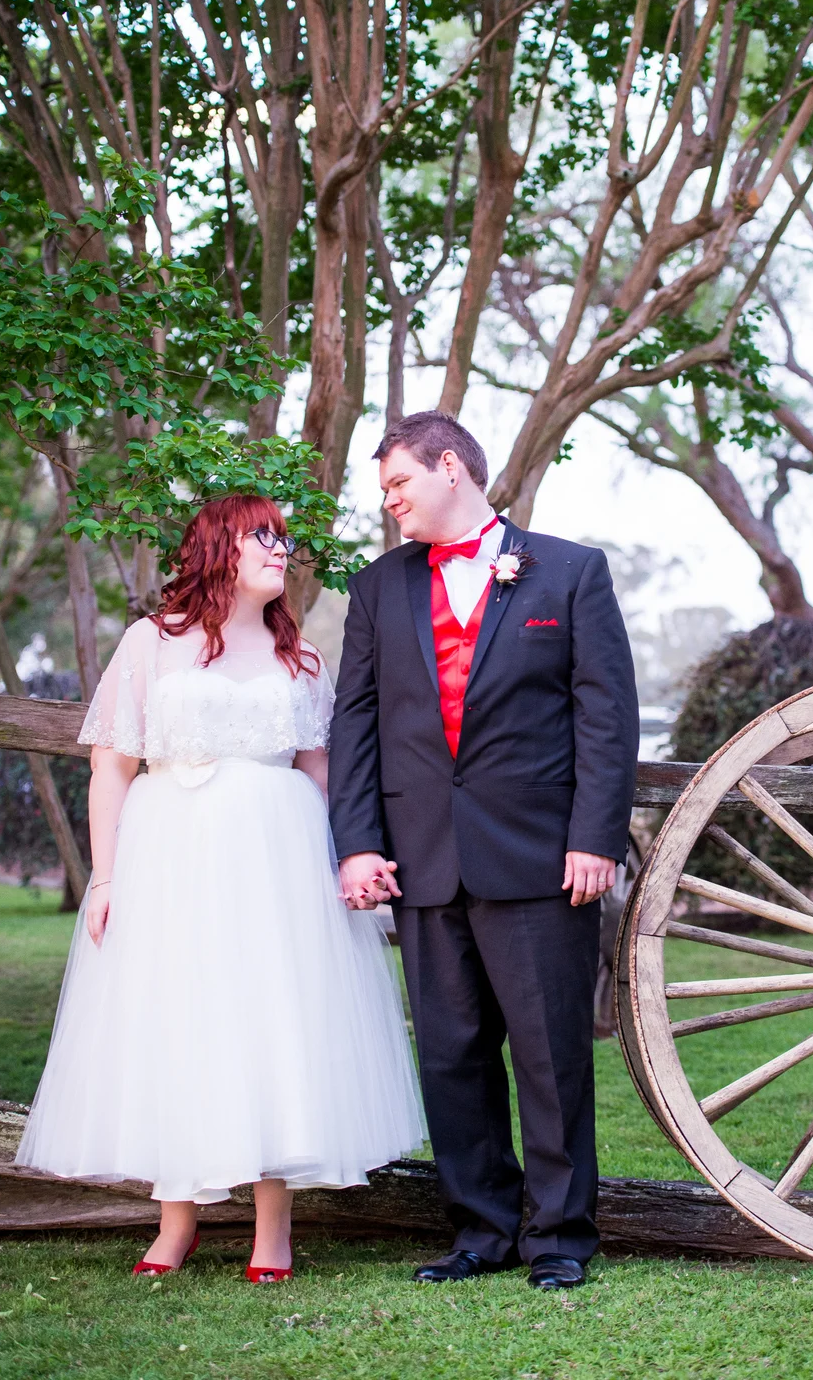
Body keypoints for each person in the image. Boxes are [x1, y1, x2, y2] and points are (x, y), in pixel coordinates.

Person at [16, 495, 423, 1282]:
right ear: (216, 548)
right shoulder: (150, 642)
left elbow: (323, 772)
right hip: (171, 853)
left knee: (275, 1018)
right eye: (261, 537)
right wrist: (105, 876)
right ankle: (176, 1218)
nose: (280, 550)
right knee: (177, 1014)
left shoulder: (301, 659)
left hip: (280, 858)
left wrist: (350, 858)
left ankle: (274, 1225)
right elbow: (111, 767)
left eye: (283, 539)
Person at [330, 412, 638, 1289]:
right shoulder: (376, 588)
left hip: (541, 858)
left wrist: (594, 838)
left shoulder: (570, 572)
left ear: (450, 467)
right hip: (421, 857)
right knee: (451, 1056)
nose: (389, 502)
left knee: (549, 1056)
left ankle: (560, 1237)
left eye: (398, 483)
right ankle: (480, 1232)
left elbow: (606, 717)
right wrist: (357, 845)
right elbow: (355, 725)